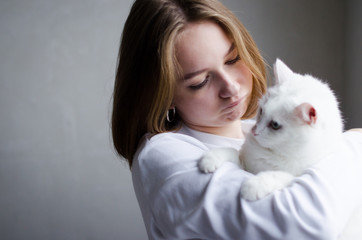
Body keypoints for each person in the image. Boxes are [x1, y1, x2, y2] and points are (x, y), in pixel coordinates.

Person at [111, 0, 362, 239]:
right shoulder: (164, 155)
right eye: (200, 82)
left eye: (233, 59)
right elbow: (308, 225)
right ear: (163, 94)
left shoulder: (257, 131)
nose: (231, 88)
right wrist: (352, 143)